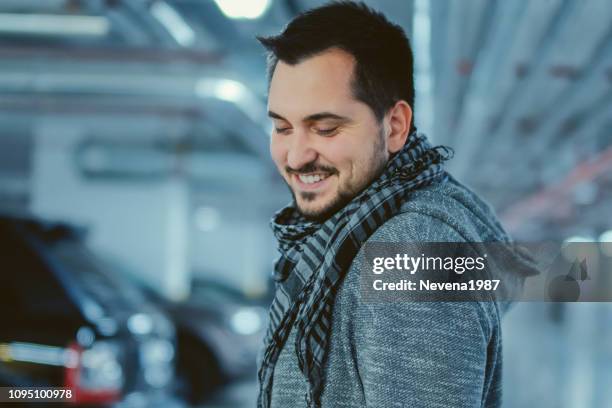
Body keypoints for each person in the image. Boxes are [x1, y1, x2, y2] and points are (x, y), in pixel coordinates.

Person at [256, 2, 537, 407]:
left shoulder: (412, 250)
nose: (296, 155)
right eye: (282, 127)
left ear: (395, 127)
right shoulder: (347, 241)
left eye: (326, 128)